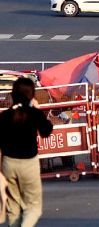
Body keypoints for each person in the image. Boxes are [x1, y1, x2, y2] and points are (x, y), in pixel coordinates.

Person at [1, 76, 54, 226]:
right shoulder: (33, 113)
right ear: (32, 95)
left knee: (14, 208)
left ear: (13, 94)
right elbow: (46, 131)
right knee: (33, 208)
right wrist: (36, 110)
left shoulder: (5, 116)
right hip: (29, 163)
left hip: (8, 164)